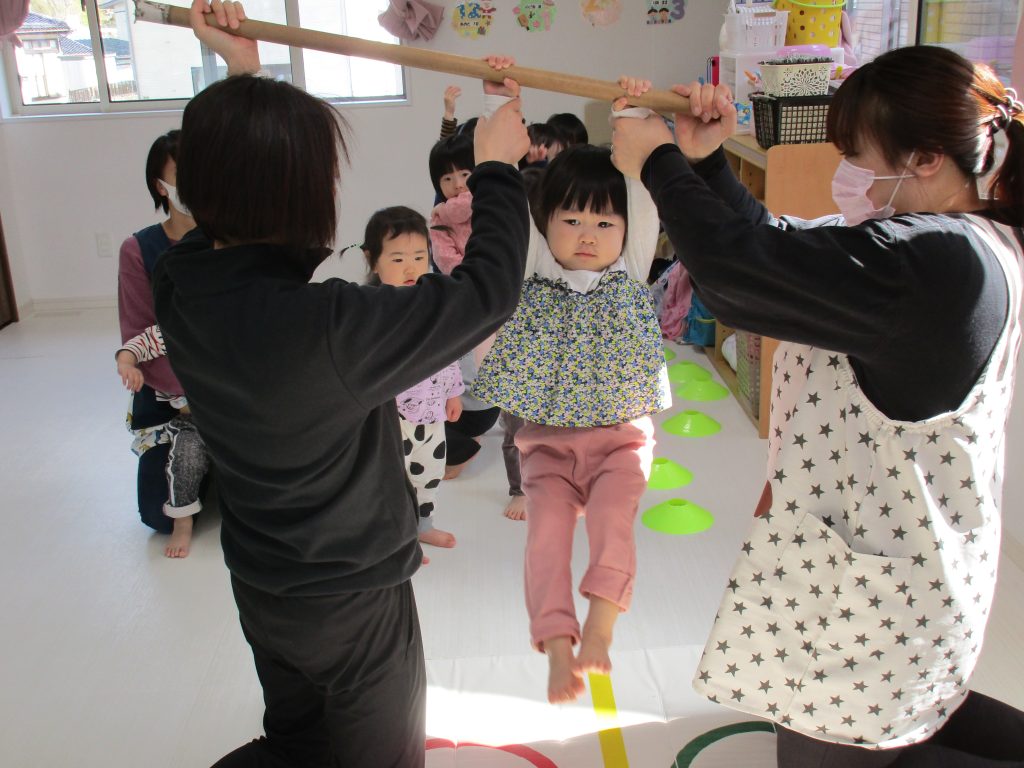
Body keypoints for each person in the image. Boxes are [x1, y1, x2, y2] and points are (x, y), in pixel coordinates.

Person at [611, 45, 1024, 766]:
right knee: (878, 716)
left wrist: (657, 164)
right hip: (880, 569)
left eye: (857, 154)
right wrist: (706, 165)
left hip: (883, 593)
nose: (847, 170)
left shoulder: (936, 263)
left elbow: (746, 277)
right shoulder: (954, 244)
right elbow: (786, 250)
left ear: (927, 158)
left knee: (848, 739)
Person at [154, 2, 529, 765]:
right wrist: (495, 168)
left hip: (261, 584)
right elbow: (488, 292)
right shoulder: (330, 327)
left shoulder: (181, 284)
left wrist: (242, 73)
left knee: (299, 741)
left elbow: (224, 208)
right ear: (301, 200)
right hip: (352, 603)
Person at [474, 134, 667, 703]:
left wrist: (628, 118)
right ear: (547, 223)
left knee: (611, 522)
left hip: (620, 443)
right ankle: (558, 646)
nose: (587, 235)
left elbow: (642, 200)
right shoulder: (537, 266)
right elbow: (511, 210)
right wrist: (499, 130)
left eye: (605, 223)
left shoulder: (631, 268)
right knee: (546, 540)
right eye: (572, 220)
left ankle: (600, 629)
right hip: (547, 450)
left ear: (625, 232)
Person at [359, 206, 463, 558]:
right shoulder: (371, 309)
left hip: (432, 413)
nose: (411, 267)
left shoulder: (433, 301)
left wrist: (453, 394)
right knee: (391, 476)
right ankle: (392, 538)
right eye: (398, 258)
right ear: (372, 260)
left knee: (429, 472)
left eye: (419, 257)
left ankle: (422, 526)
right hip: (391, 415)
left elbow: (448, 350)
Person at [117, 128, 201, 544]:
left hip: (231, 389)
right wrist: (187, 397)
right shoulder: (139, 250)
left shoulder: (233, 240)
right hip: (172, 398)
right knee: (159, 516)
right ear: (161, 186)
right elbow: (140, 335)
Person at [116, 324, 209, 558]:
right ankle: (182, 520)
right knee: (185, 457)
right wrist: (127, 364)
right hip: (191, 421)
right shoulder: (175, 328)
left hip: (233, 418)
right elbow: (138, 345)